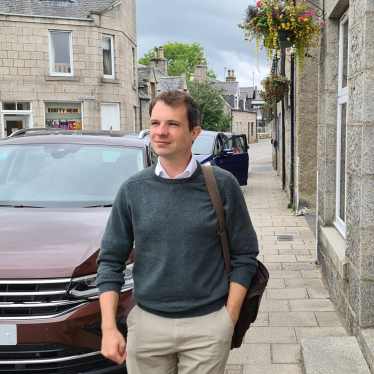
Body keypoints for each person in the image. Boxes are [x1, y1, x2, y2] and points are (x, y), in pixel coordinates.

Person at [96, 90, 259, 374]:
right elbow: (110, 261)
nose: (160, 132)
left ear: (194, 132)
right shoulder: (133, 190)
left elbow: (245, 255)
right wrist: (109, 327)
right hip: (147, 326)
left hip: (208, 325)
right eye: (155, 123)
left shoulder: (222, 184)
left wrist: (228, 319)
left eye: (172, 124)